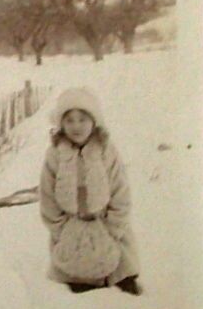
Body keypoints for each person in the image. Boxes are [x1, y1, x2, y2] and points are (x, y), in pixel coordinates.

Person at [39, 87, 141, 295]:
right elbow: (47, 196)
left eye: (82, 119)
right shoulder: (55, 154)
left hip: (107, 225)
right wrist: (61, 230)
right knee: (79, 286)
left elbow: (120, 191)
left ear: (94, 122)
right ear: (61, 124)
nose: (76, 126)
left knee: (121, 280)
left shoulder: (106, 150)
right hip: (71, 229)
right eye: (69, 120)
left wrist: (114, 229)